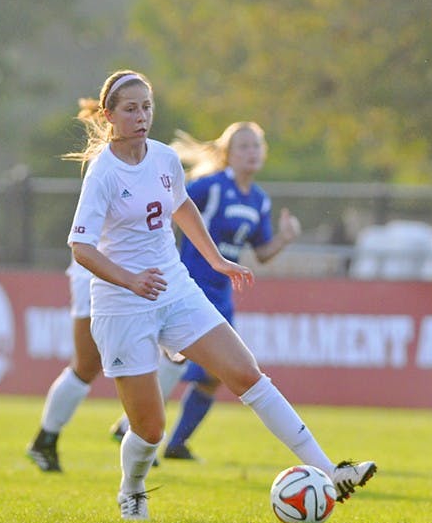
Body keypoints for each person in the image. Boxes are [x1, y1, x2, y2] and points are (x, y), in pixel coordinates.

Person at [65, 69, 376, 519]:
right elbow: (81, 247)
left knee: (247, 374)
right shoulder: (103, 173)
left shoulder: (165, 158)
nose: (141, 116)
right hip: (122, 305)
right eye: (130, 109)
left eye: (147, 107)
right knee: (150, 429)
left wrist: (215, 260)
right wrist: (130, 280)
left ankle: (330, 470)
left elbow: (183, 206)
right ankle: (132, 488)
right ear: (110, 116)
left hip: (175, 289)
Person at [112, 121, 302, 461]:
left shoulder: (259, 200)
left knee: (215, 377)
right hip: (190, 285)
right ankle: (133, 427)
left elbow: (261, 252)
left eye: (256, 146)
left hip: (221, 293)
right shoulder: (210, 187)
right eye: (243, 146)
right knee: (177, 357)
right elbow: (169, 205)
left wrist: (285, 238)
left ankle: (175, 444)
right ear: (228, 154)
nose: (251, 152)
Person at [26, 262, 184, 472]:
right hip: (100, 274)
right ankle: (45, 439)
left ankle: (130, 426)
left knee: (179, 351)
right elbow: (83, 242)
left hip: (150, 270)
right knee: (87, 366)